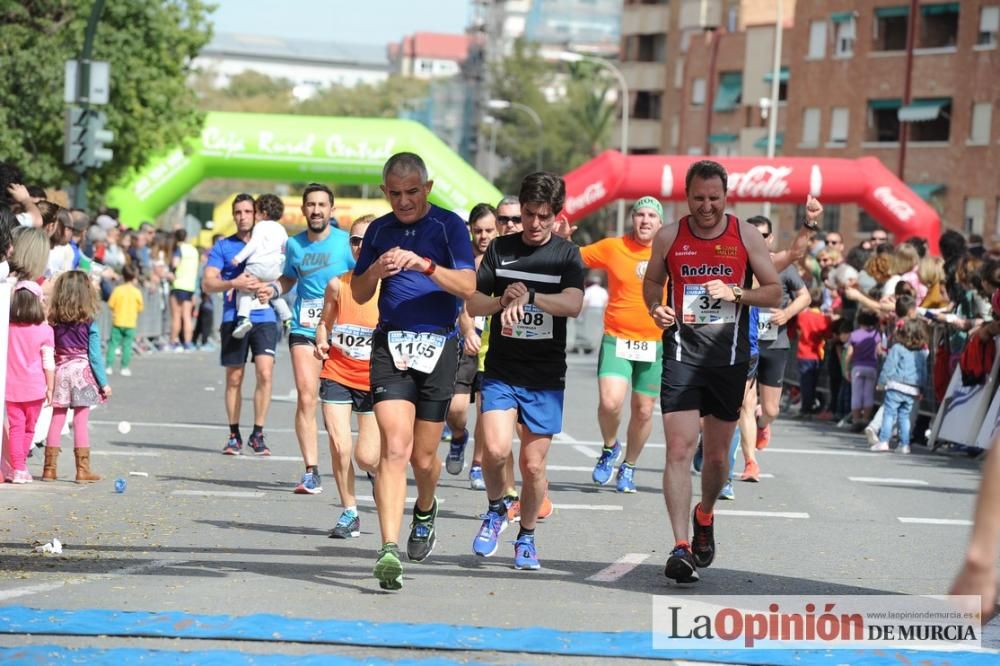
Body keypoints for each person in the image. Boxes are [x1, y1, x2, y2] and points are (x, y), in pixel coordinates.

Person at [642, 159, 782, 583]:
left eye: (714, 198)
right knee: (679, 450)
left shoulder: (745, 234)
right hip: (682, 356)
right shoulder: (669, 236)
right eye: (699, 198)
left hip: (728, 359)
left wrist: (737, 292)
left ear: (726, 197)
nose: (706, 206)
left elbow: (774, 290)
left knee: (718, 458)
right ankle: (681, 545)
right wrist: (656, 307)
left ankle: (706, 513)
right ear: (687, 197)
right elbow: (652, 283)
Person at [351, 152, 476, 590]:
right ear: (385, 192)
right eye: (395, 193)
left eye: (412, 192)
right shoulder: (380, 230)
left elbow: (468, 286)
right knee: (394, 448)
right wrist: (375, 269)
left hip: (439, 345)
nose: (403, 201)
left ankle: (425, 508)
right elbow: (360, 291)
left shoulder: (449, 226)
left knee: (424, 457)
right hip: (391, 345)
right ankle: (387, 547)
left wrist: (425, 265)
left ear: (428, 188)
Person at [467, 171, 585, 570]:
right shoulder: (501, 250)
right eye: (529, 214)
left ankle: (527, 536)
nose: (534, 224)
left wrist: (533, 295)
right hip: (501, 370)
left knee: (533, 466)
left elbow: (573, 304)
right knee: (496, 451)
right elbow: (473, 304)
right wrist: (502, 300)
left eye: (543, 216)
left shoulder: (567, 255)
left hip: (545, 377)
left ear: (556, 215)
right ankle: (496, 508)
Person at [578, 196, 663, 493]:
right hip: (617, 338)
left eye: (652, 215)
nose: (645, 220)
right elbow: (575, 257)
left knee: (643, 410)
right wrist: (560, 240)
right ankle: (610, 447)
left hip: (655, 343)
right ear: (632, 219)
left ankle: (629, 466)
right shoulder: (613, 247)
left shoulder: (669, 251)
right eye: (640, 214)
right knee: (610, 402)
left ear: (660, 223)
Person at [275, 183, 356, 493]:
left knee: (339, 404)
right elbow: (288, 277)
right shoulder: (295, 246)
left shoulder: (346, 244)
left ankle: (352, 460)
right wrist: (273, 289)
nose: (317, 210)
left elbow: (359, 282)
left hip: (341, 333)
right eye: (311, 205)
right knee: (307, 395)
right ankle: (311, 469)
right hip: (305, 329)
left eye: (322, 205)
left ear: (331, 210)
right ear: (304, 209)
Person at [314, 215, 381, 539]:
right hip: (337, 373)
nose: (360, 246)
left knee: (366, 456)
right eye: (355, 240)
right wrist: (322, 338)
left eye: (367, 240)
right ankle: (350, 511)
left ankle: (377, 473)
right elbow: (324, 323)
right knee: (340, 445)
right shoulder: (337, 284)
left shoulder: (390, 287)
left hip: (374, 379)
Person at [203, 194, 278, 456]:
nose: (243, 216)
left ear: (257, 214)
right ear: (233, 216)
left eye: (248, 211)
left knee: (265, 373)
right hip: (233, 316)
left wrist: (272, 287)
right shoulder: (223, 247)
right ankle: (234, 434)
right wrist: (234, 283)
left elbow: (287, 271)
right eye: (238, 212)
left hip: (265, 315)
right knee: (234, 377)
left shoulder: (270, 240)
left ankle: (258, 433)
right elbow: (207, 283)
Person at [445, 203, 498, 478]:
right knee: (456, 410)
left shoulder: (504, 260)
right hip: (465, 339)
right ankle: (457, 436)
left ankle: (478, 465)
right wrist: (467, 332)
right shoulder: (460, 259)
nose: (484, 236)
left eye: (489, 230)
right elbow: (463, 306)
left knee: (486, 408)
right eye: (478, 231)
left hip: (496, 344)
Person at [44, 271, 111, 483]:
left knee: (57, 418)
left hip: (61, 369)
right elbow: (95, 356)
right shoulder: (89, 322)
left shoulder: (54, 321)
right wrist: (104, 383)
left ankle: (49, 468)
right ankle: (82, 470)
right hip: (83, 373)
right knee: (80, 421)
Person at [2, 281, 55, 483]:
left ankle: (18, 468)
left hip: (10, 386)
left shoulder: (7, 329)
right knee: (29, 429)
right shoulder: (45, 330)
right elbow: (48, 362)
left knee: (16, 427)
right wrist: (50, 387)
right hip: (35, 387)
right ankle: (20, 465)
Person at [231, 194, 292, 339]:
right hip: (275, 268)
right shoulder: (282, 229)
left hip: (257, 266)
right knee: (272, 292)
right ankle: (287, 318)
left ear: (264, 213)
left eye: (256, 211)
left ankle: (243, 318)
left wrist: (238, 258)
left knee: (244, 291)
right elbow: (287, 247)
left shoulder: (260, 226)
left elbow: (253, 244)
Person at [870, 318, 928, 454]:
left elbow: (889, 367)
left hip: (896, 385)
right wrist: (922, 389)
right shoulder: (922, 353)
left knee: (889, 414)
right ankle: (904, 444)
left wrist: (882, 382)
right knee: (904, 416)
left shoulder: (897, 348)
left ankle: (884, 441)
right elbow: (924, 373)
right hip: (912, 388)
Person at [105, 264, 144, 377]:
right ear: (135, 277)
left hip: (118, 321)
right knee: (127, 346)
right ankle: (124, 367)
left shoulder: (117, 290)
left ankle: (108, 366)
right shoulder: (137, 292)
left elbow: (111, 304)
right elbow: (140, 307)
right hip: (130, 323)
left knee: (112, 345)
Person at [169, 228, 199, 351]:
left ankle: (173, 341)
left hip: (178, 284)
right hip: (190, 285)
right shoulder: (193, 250)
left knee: (176, 316)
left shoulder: (178, 249)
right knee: (187, 316)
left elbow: (175, 264)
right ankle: (187, 342)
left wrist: (171, 271)